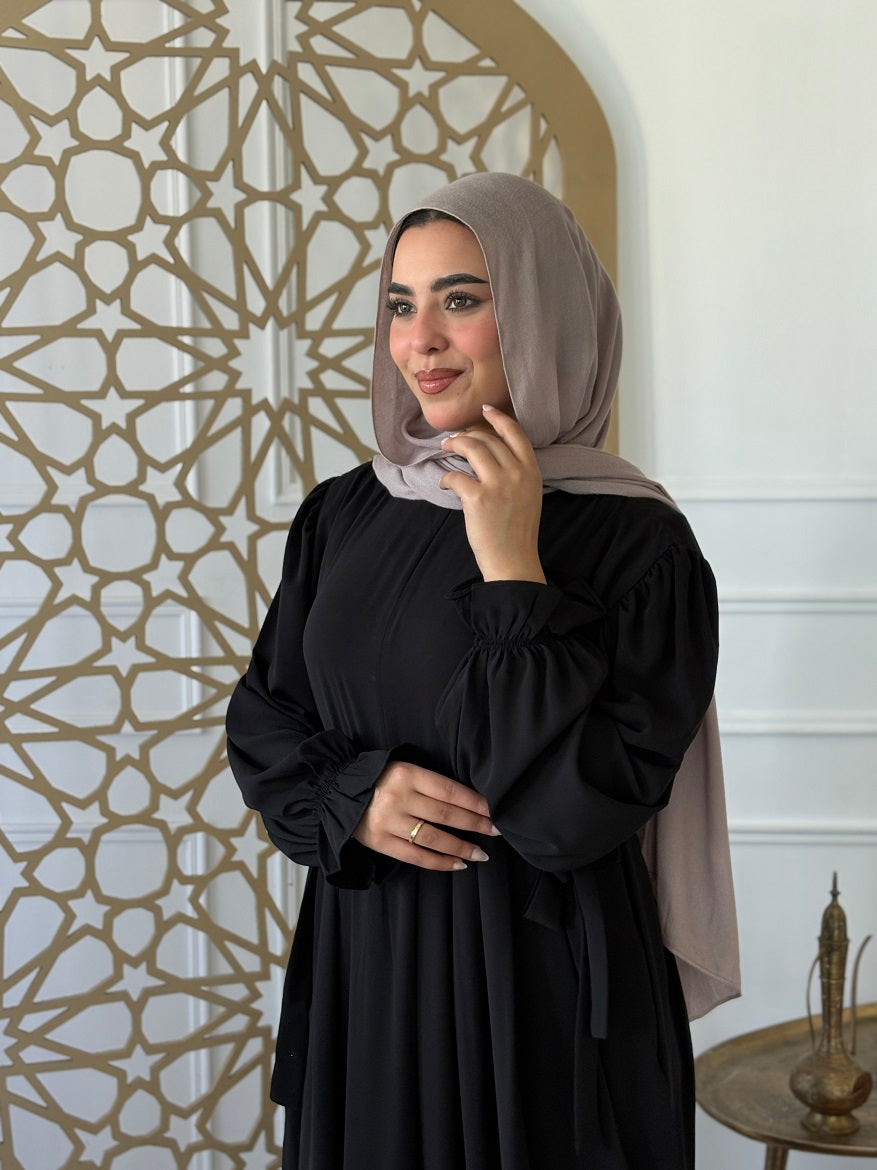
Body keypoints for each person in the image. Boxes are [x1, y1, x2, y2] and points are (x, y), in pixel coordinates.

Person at [226, 171, 740, 1170]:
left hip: (544, 1002)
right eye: (399, 304)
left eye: (460, 299)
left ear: (544, 315)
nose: (419, 340)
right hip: (370, 974)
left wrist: (511, 567)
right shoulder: (345, 514)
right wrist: (353, 796)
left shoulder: (641, 547)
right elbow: (264, 717)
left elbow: (566, 817)